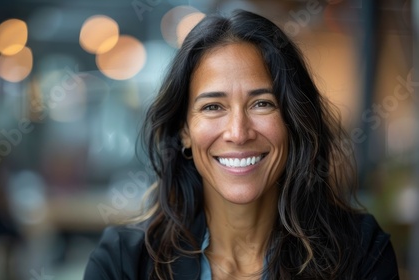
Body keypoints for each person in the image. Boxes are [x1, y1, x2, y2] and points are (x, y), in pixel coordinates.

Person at [83, 9, 399, 280]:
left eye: (261, 104)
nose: (238, 132)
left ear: (293, 121)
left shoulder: (360, 252)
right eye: (212, 107)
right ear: (184, 132)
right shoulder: (124, 263)